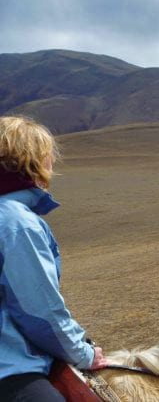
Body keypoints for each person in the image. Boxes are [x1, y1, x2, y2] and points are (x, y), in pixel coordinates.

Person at [0, 116, 107, 401]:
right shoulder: (16, 222)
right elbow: (38, 311)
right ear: (31, 161)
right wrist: (84, 353)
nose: (52, 163)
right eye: (48, 156)